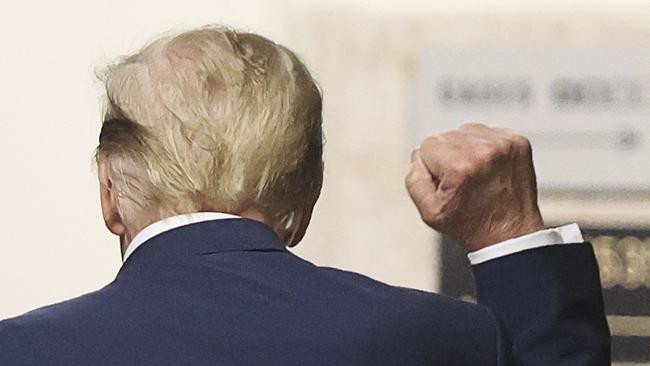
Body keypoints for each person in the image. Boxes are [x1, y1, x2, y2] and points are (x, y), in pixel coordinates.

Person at [0, 26, 609, 365]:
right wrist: (510, 233)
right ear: (307, 195)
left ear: (110, 192)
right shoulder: (445, 341)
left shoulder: (22, 351)